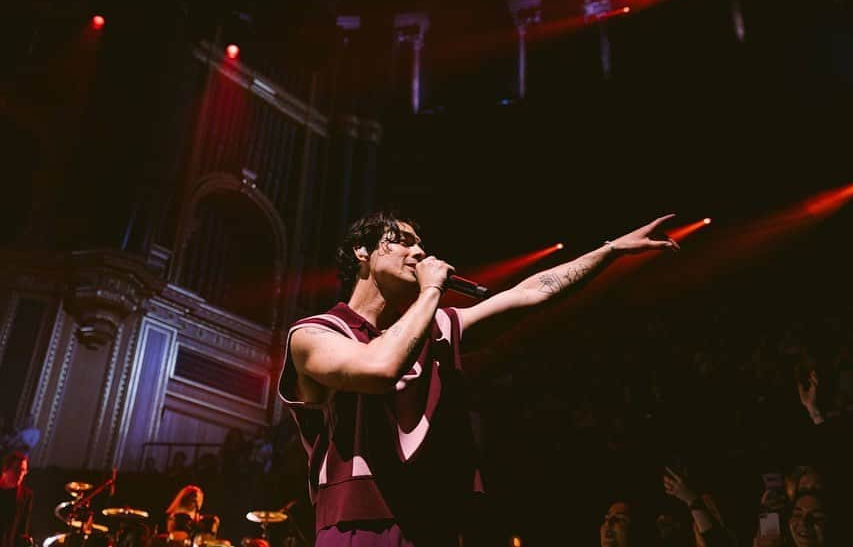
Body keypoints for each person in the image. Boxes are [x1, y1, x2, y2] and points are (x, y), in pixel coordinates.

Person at [278, 210, 680, 546]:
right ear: (360, 252)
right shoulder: (314, 334)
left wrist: (609, 251)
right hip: (361, 525)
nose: (419, 251)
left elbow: (532, 293)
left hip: (436, 520)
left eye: (421, 243)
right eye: (402, 240)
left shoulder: (435, 325)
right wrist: (431, 290)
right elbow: (377, 369)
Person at [0, 451, 33, 547]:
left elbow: (22, 528)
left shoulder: (26, 495)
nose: (20, 474)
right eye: (16, 469)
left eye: (23, 470)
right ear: (5, 469)